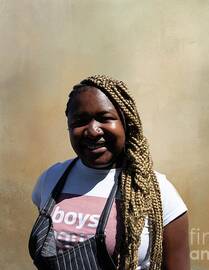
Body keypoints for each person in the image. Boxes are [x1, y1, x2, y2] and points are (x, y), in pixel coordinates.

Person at [29, 75, 190, 270]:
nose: (93, 130)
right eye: (80, 121)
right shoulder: (51, 179)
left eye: (105, 118)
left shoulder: (157, 192)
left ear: (126, 123)